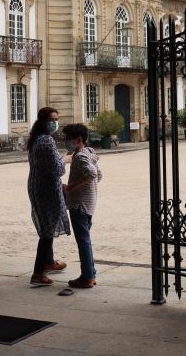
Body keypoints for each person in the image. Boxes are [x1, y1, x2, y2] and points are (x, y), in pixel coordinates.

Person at [26, 106, 70, 287]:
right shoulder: (46, 141)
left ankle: (49, 262)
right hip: (45, 188)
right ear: (43, 121)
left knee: (48, 224)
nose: (55, 123)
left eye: (56, 119)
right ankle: (38, 273)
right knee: (47, 228)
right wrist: (65, 159)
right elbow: (57, 169)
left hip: (38, 184)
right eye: (52, 119)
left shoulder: (38, 138)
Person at [62, 123, 102, 288]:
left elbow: (93, 174)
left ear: (78, 139)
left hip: (79, 205)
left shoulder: (80, 157)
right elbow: (99, 175)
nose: (66, 141)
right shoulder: (89, 152)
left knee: (83, 241)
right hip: (89, 203)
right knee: (86, 240)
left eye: (68, 138)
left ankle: (86, 277)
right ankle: (90, 273)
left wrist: (72, 187)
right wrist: (89, 189)